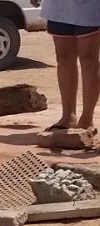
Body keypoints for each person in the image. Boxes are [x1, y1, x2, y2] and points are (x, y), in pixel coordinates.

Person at [32, 0, 100, 134]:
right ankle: (68, 116)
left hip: (90, 7)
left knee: (89, 60)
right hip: (58, 6)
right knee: (63, 58)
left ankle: (87, 120)